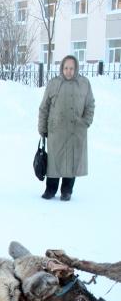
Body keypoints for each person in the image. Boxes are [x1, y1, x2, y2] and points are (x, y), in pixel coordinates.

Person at [38, 54, 95, 201]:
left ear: (75, 68)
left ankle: (67, 191)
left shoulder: (84, 83)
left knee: (72, 161)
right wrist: (42, 127)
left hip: (76, 131)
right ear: (61, 68)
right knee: (54, 162)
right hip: (56, 130)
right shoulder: (53, 83)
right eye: (66, 68)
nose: (68, 71)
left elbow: (90, 105)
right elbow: (44, 107)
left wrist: (86, 122)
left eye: (71, 68)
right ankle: (50, 190)